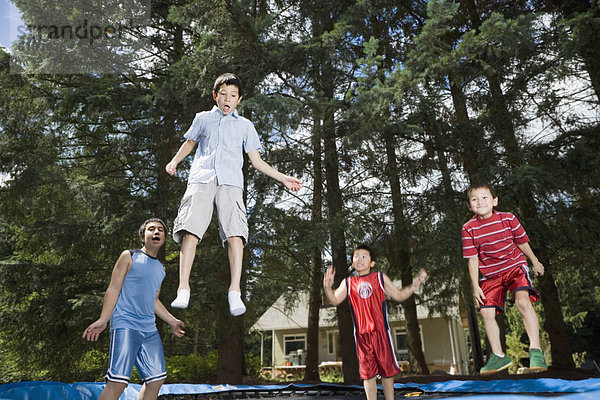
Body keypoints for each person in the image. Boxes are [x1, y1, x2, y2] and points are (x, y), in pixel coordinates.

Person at [166, 72, 302, 315]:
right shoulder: (203, 119)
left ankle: (235, 291)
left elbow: (257, 161)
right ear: (215, 96)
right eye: (223, 94)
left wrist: (282, 177)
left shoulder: (245, 126)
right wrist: (175, 161)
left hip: (231, 183)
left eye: (233, 95)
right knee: (191, 230)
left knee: (236, 235)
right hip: (202, 178)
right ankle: (183, 287)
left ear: (239, 100)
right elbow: (190, 143)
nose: (228, 99)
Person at [83, 218, 185, 400]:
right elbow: (113, 288)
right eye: (151, 229)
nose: (156, 232)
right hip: (126, 325)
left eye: (160, 230)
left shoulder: (161, 268)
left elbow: (153, 299)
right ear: (142, 236)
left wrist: (172, 320)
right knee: (118, 382)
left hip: (149, 330)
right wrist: (103, 319)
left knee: (155, 380)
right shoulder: (129, 256)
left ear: (164, 237)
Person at [462, 182, 548, 374]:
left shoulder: (508, 219)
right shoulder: (469, 228)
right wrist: (475, 285)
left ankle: (536, 350)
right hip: (491, 274)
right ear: (470, 206)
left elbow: (522, 242)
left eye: (485, 197)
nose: (480, 202)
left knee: (523, 302)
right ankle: (499, 356)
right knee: (486, 312)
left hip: (515, 266)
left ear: (495, 201)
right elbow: (472, 259)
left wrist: (535, 261)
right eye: (474, 199)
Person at [323, 244, 427, 400]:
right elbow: (335, 299)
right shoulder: (348, 282)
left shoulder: (379, 277)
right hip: (362, 335)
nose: (359, 259)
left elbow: (399, 295)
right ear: (352, 262)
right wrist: (327, 288)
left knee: (387, 372)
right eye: (356, 256)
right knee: (368, 375)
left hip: (381, 332)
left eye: (364, 256)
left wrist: (416, 283)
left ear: (372, 263)